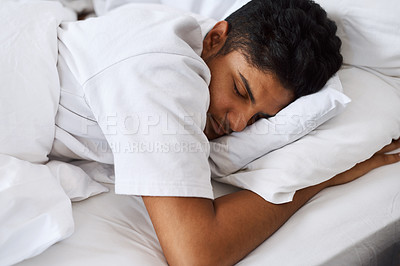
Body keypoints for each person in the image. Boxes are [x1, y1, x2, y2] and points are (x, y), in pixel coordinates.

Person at [52, 0, 400, 265]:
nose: (237, 124)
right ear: (215, 38)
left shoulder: (191, 45)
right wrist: (319, 180)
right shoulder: (163, 73)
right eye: (240, 91)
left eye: (260, 116)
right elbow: (195, 253)